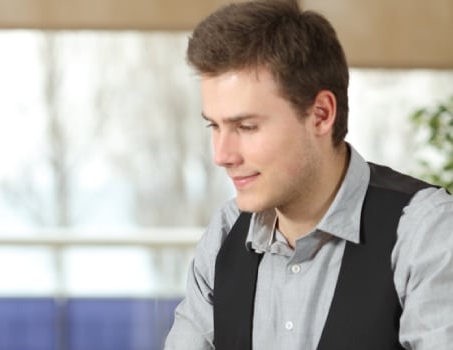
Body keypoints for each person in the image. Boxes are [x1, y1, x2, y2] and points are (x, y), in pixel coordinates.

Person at [164, 0, 453, 349]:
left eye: (247, 126)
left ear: (320, 114)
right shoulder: (225, 234)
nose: (222, 155)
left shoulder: (427, 233)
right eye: (215, 125)